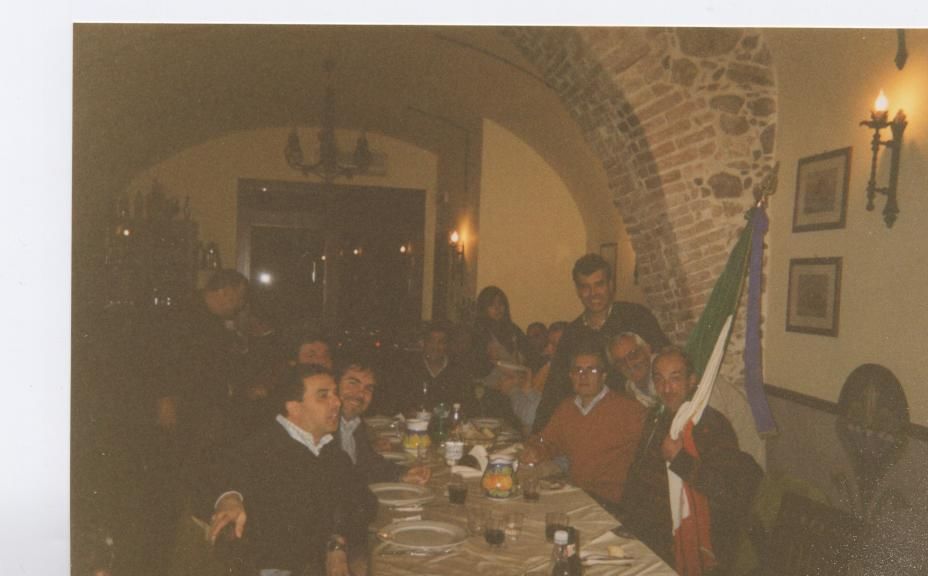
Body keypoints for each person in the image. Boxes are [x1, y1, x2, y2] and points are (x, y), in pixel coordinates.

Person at [206, 364, 377, 576]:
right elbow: (219, 470)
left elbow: (365, 503)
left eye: (335, 394)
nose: (337, 402)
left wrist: (336, 542)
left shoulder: (328, 449)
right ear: (294, 408)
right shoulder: (265, 447)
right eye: (323, 396)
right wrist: (229, 497)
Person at [618, 346, 763, 574]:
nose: (666, 388)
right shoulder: (657, 419)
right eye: (659, 379)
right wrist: (624, 518)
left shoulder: (710, 425)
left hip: (688, 538)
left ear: (692, 381)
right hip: (649, 531)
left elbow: (728, 492)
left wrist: (680, 460)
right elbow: (637, 474)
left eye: (675, 379)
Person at [532, 253, 669, 433]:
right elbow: (554, 390)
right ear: (578, 291)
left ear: (611, 285)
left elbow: (665, 361)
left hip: (641, 418)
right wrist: (538, 436)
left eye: (599, 284)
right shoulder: (572, 334)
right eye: (585, 287)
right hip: (592, 423)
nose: (593, 294)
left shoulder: (636, 317)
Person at [520, 334, 646, 506]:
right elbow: (547, 440)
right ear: (570, 376)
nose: (583, 376)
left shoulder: (629, 410)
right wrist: (536, 449)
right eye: (578, 370)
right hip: (576, 493)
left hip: (610, 502)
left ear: (603, 376)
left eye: (591, 370)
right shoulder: (567, 408)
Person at [333, 348, 431, 485]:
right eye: (353, 383)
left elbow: (368, 464)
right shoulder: (323, 428)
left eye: (368, 388)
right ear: (334, 384)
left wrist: (403, 474)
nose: (360, 394)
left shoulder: (353, 423)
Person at [608, 332, 658, 407]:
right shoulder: (630, 393)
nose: (629, 365)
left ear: (647, 350)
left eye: (633, 355)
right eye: (621, 362)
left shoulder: (668, 369)